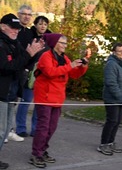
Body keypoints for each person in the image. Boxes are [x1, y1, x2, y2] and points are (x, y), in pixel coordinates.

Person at [29, 33, 88, 168]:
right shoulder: (46, 56)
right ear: (55, 43)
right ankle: (36, 153)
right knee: (43, 127)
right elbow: (50, 72)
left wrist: (82, 67)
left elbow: (73, 74)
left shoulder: (64, 58)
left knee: (52, 127)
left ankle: (42, 149)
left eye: (65, 43)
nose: (64, 46)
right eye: (62, 43)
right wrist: (70, 66)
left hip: (57, 97)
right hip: (45, 96)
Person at [0, 13, 44, 169]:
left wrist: (34, 52)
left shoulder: (14, 43)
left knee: (5, 132)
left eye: (18, 28)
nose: (16, 31)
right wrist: (28, 53)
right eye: (12, 27)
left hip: (11, 94)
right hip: (1, 94)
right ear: (2, 26)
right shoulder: (1, 44)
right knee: (0, 131)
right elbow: (6, 67)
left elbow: (24, 61)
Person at [16, 15, 52, 137]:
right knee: (26, 101)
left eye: (45, 24)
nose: (43, 26)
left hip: (44, 74)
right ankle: (20, 127)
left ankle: (35, 128)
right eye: (40, 24)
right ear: (35, 25)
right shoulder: (29, 36)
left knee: (39, 103)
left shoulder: (50, 39)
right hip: (30, 73)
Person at [97, 43, 122, 156]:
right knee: (111, 120)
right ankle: (103, 144)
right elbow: (111, 83)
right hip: (113, 99)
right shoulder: (111, 64)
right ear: (114, 52)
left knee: (117, 121)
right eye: (119, 51)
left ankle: (111, 142)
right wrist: (120, 96)